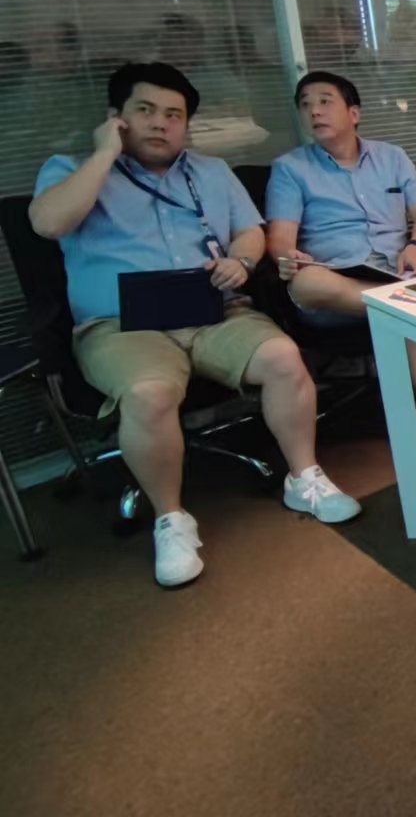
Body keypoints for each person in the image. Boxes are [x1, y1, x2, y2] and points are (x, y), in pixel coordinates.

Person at [30, 63, 361, 586]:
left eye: (173, 115)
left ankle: (304, 477)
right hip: (121, 324)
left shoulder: (210, 171)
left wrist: (241, 261)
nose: (160, 123)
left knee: (283, 358)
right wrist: (104, 155)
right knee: (150, 392)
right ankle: (172, 518)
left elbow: (250, 231)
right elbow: (48, 223)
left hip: (213, 311)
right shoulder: (71, 169)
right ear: (117, 117)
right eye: (145, 111)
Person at [265, 71, 416, 477]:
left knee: (413, 312)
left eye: (325, 101)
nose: (314, 111)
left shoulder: (392, 157)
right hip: (333, 283)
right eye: (305, 104)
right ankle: (403, 306)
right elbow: (280, 238)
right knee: (310, 282)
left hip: (392, 274)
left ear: (354, 113)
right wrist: (287, 255)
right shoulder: (290, 168)